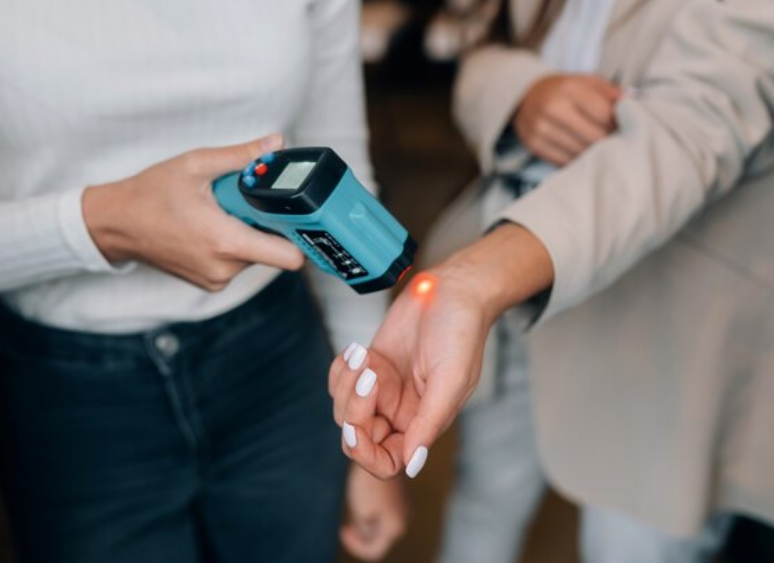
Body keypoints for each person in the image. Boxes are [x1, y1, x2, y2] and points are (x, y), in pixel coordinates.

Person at [330, 0, 774, 562]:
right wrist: (519, 94)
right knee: (485, 496)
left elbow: (688, 134)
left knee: (631, 541)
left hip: (662, 323)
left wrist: (477, 279)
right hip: (506, 308)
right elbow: (473, 42)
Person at [0, 2, 405, 562]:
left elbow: (339, 164)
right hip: (71, 401)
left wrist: (371, 409)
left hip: (277, 366)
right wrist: (104, 223)